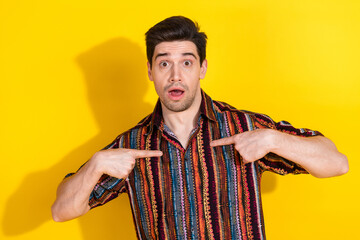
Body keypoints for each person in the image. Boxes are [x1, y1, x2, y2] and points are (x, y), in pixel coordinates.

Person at [51, 16, 348, 239]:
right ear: (150, 71)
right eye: (164, 64)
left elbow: (337, 163)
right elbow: (62, 211)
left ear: (202, 68)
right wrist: (96, 164)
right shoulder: (132, 145)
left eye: (187, 63)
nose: (176, 75)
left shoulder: (244, 127)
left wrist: (273, 139)